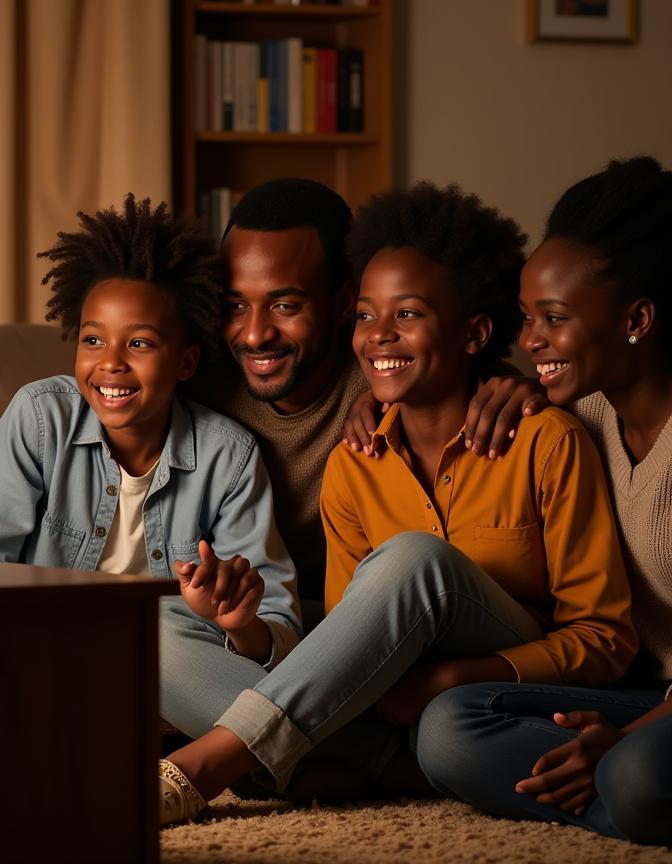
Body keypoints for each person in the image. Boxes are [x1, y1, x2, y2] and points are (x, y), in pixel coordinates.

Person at [157, 182, 637, 826]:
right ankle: (384, 766)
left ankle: (204, 767)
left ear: (475, 333)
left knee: (414, 559)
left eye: (405, 314)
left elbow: (605, 637)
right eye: (366, 315)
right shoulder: (353, 465)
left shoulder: (547, 442)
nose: (378, 335)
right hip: (392, 700)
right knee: (153, 631)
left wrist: (457, 675)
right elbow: (336, 639)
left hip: (500, 680)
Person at [416, 157, 672, 849]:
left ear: (637, 318)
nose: (530, 341)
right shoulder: (586, 410)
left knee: (638, 772)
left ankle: (667, 792)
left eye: (553, 318)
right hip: (671, 692)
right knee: (450, 727)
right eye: (526, 318)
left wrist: (622, 742)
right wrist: (520, 387)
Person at [0, 195, 302, 722]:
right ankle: (306, 754)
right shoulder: (38, 418)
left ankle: (274, 747)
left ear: (186, 361)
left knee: (161, 632)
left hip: (176, 669)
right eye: (93, 339)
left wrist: (238, 622)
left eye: (140, 343)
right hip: (46, 657)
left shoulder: (228, 457)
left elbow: (276, 627)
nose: (110, 364)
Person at [196, 177, 544, 623]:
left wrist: (521, 386)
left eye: (285, 306)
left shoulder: (386, 377)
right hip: (248, 625)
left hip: (370, 624)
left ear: (343, 303)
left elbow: (459, 368)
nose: (254, 334)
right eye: (237, 305)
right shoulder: (199, 386)